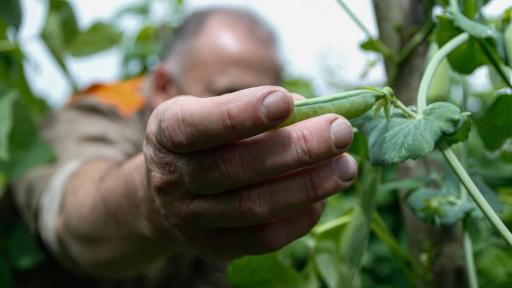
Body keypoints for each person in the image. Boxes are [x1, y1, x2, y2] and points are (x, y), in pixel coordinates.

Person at [13, 7, 357, 287]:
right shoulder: (103, 110)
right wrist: (151, 200)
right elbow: (71, 214)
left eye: (268, 101)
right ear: (163, 85)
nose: (255, 123)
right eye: (228, 94)